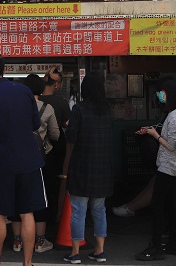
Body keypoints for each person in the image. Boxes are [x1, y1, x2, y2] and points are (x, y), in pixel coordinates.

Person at [0, 52, 45, 266]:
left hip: (3, 161)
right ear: (5, 69)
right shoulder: (24, 91)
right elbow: (34, 124)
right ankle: (28, 263)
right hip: (30, 159)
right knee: (27, 212)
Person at [62, 72, 114, 264]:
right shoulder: (108, 110)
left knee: (78, 210)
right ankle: (100, 250)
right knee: (100, 209)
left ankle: (75, 253)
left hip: (82, 166)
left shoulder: (79, 109)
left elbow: (71, 137)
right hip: (102, 167)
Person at [135, 78, 176, 261]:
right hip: (173, 166)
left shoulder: (173, 117)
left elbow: (171, 145)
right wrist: (152, 130)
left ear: (170, 94)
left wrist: (154, 135)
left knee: (157, 205)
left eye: (163, 92)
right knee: (172, 204)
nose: (160, 95)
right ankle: (174, 243)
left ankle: (156, 246)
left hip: (167, 166)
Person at [9, 74, 58, 254]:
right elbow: (55, 134)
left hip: (17, 158)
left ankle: (16, 241)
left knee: (17, 197)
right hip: (40, 159)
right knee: (40, 198)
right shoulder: (48, 108)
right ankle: (39, 242)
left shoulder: (15, 106)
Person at [40, 67, 70, 223]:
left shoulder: (35, 100)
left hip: (37, 150)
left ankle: (40, 220)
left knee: (39, 186)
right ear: (57, 85)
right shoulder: (62, 103)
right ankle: (53, 218)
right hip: (56, 150)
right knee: (54, 186)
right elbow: (67, 125)